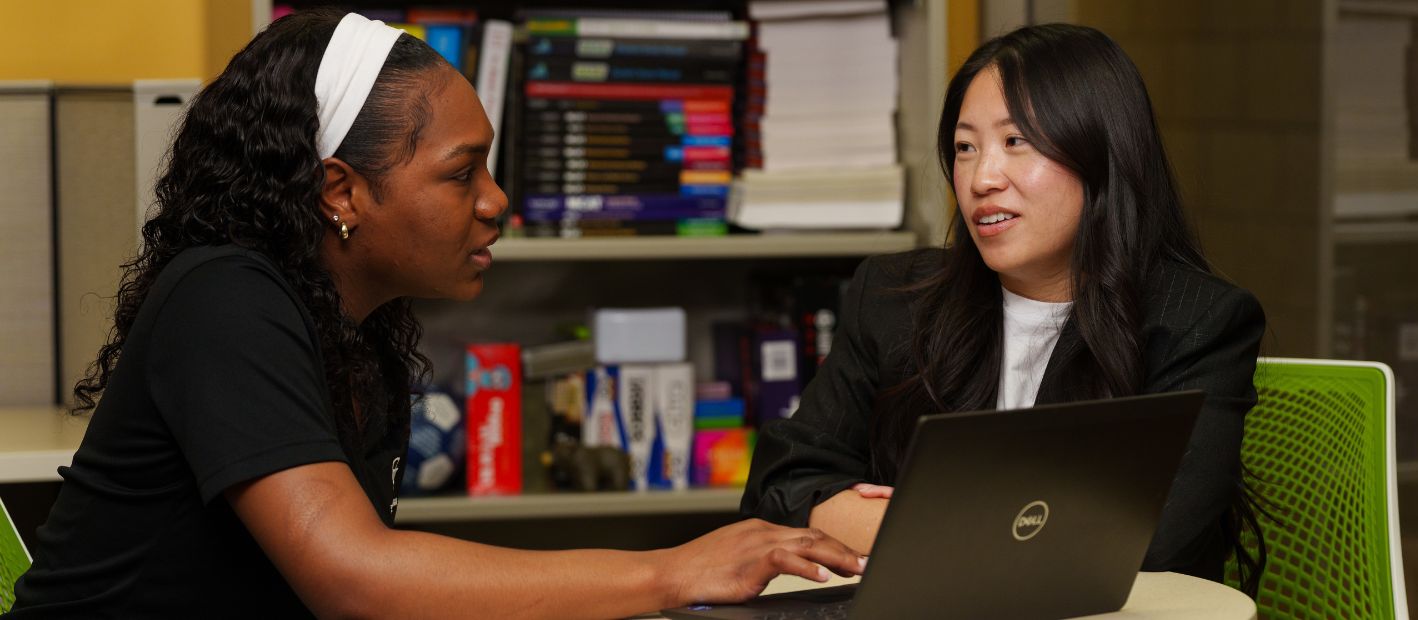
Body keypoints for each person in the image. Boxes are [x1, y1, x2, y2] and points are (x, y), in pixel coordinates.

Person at [10, 11, 864, 618]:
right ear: (341, 191)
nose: (497, 202)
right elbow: (358, 582)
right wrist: (672, 573)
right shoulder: (223, 297)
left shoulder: (362, 326)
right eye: (464, 173)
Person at [741, 23, 1267, 594]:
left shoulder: (1198, 322)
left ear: (1102, 154)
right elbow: (779, 486)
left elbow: (1146, 542)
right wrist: (972, 528)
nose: (982, 178)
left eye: (1016, 142)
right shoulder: (895, 298)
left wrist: (899, 522)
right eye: (966, 148)